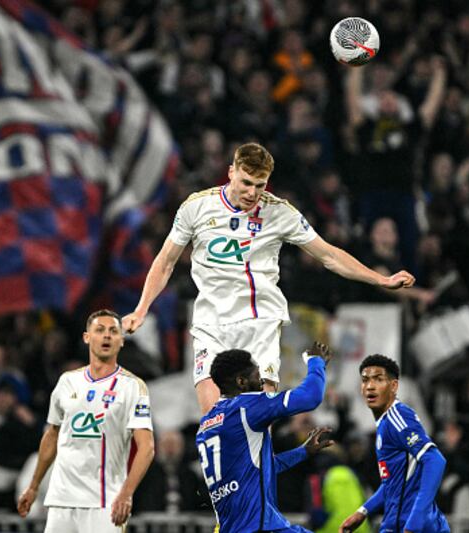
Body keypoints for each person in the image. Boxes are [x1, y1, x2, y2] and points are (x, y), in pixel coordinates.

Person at [122, 142, 416, 414]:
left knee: (259, 416)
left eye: (260, 185)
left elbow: (328, 255)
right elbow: (165, 261)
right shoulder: (196, 207)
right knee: (213, 419)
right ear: (231, 173)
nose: (252, 193)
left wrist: (380, 279)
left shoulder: (279, 212)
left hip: (259, 321)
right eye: (246, 183)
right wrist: (141, 308)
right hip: (211, 322)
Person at [17, 310, 155, 532]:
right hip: (62, 502)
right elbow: (52, 435)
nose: (107, 336)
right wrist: (33, 486)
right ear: (87, 337)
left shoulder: (132, 387)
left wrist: (127, 493)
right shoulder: (66, 382)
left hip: (104, 503)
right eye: (99, 330)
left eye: (113, 331)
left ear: (121, 340)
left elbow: (146, 447)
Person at [196, 342, 335, 532]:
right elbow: (311, 396)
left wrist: (302, 452)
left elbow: (257, 469)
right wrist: (315, 361)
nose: (261, 380)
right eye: (256, 374)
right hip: (257, 528)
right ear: (241, 382)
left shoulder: (205, 425)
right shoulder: (247, 407)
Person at [340, 355, 450, 533]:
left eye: (378, 379)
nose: (370, 386)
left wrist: (414, 522)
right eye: (365, 380)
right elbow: (393, 484)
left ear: (393, 386)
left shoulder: (398, 417)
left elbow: (435, 460)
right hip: (396, 523)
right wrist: (363, 511)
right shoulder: (384, 425)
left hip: (413, 526)